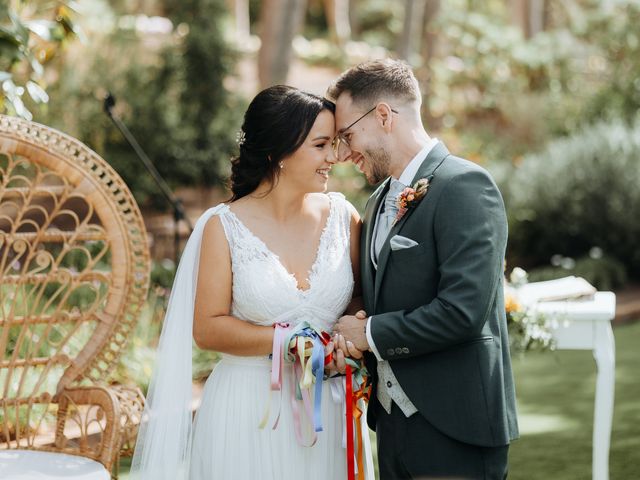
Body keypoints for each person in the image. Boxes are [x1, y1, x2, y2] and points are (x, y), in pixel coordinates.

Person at [130, 85, 372, 480]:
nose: (334, 157)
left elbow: (358, 296)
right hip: (248, 410)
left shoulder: (344, 217)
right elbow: (207, 328)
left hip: (329, 409)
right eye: (322, 145)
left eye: (336, 143)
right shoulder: (222, 227)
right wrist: (287, 340)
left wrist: (346, 337)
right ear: (278, 152)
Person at [330, 59, 519, 479]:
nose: (343, 154)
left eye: (347, 135)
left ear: (383, 116)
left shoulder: (466, 187)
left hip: (457, 428)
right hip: (393, 428)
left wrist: (370, 333)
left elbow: (463, 311)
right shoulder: (377, 201)